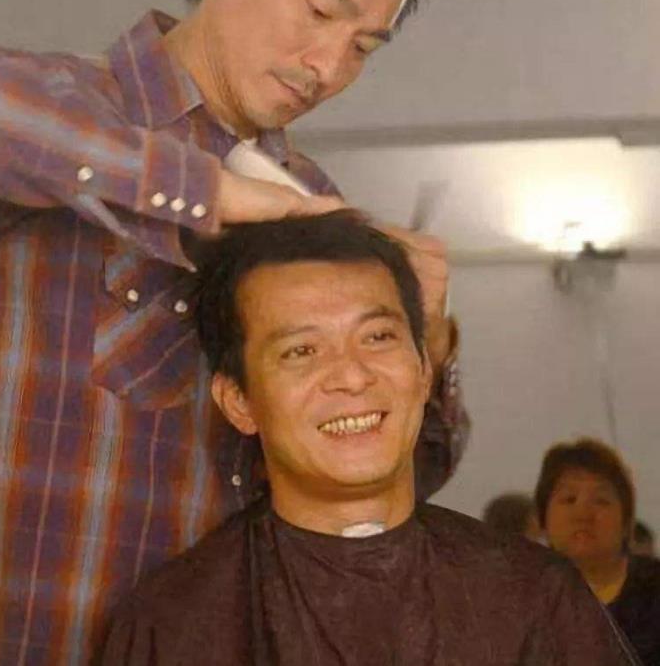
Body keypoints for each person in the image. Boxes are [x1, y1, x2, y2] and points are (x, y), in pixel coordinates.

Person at [0, 0, 469, 666]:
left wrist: (429, 339)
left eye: (362, 47)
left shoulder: (315, 201)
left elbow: (395, 474)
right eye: (320, 11)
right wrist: (209, 193)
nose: (327, 65)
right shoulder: (73, 110)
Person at [97, 212, 636, 666]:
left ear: (424, 370)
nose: (352, 376)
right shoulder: (176, 623)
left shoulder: (531, 597)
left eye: (377, 337)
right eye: (302, 351)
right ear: (239, 401)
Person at [535, 438, 660, 665]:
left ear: (626, 523)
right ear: (543, 522)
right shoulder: (520, 602)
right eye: (569, 499)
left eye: (601, 501)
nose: (583, 514)